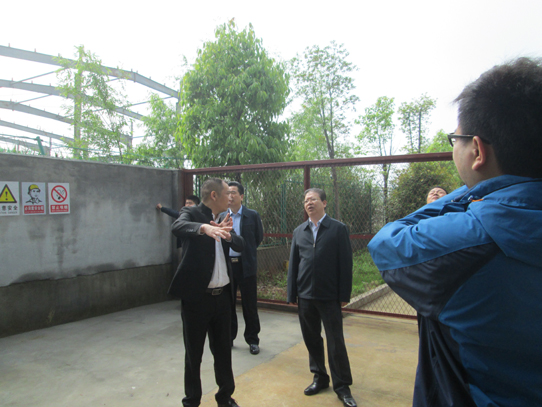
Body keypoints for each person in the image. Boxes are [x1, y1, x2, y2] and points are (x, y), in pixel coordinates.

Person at [368, 57, 542, 406]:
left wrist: (470, 190)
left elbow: (387, 242)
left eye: (456, 140)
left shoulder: (466, 241)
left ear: (477, 150)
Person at [169, 179, 244, 407]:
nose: (230, 197)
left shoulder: (224, 218)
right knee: (194, 354)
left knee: (223, 352)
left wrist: (229, 236)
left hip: (222, 299)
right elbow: (177, 227)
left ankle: (225, 397)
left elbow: (241, 244)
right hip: (197, 299)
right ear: (214, 195)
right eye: (227, 193)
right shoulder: (191, 213)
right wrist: (204, 228)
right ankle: (192, 401)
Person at [287, 188, 357, 407]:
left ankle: (342, 387)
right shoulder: (299, 231)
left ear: (324, 203)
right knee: (312, 339)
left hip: (329, 296)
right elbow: (294, 264)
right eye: (306, 200)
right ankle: (320, 377)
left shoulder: (338, 229)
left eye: (313, 199)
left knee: (335, 341)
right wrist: (292, 292)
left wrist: (344, 293)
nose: (309, 203)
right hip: (305, 295)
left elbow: (345, 263)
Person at [225, 181, 264, 354]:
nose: (230, 196)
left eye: (233, 192)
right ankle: (229, 337)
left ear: (241, 196)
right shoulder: (222, 216)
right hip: (227, 266)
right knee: (228, 304)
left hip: (246, 265)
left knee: (250, 305)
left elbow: (258, 237)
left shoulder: (252, 215)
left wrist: (247, 253)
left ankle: (253, 340)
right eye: (227, 192)